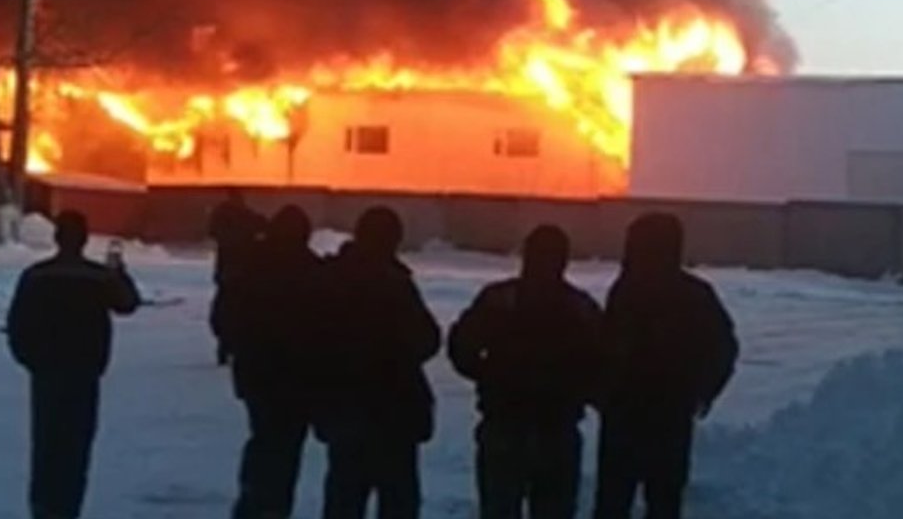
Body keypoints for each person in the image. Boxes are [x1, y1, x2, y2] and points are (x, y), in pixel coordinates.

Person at [448, 225, 602, 519]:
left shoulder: (499, 299)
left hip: (508, 427)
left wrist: (487, 376)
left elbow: (461, 346)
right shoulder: (579, 307)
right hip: (552, 430)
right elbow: (603, 361)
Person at [592, 213, 738, 519]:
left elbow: (604, 346)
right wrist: (703, 392)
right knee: (659, 501)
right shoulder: (687, 293)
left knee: (623, 501)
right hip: (657, 415)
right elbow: (723, 348)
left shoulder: (629, 290)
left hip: (639, 415)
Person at [7, 210, 141, 519]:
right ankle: (68, 507)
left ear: (57, 237)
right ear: (83, 238)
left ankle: (43, 507)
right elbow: (127, 304)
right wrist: (119, 273)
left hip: (46, 373)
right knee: (76, 446)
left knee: (45, 444)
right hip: (84, 372)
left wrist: (30, 359)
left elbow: (18, 323)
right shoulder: (98, 277)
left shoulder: (36, 276)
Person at [313, 207, 440, 519]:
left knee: (344, 499)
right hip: (392, 413)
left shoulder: (330, 280)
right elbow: (427, 339)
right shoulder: (394, 283)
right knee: (397, 500)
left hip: (344, 408)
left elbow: (309, 337)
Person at [214, 204, 322, 519]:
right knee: (286, 446)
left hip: (256, 373)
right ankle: (274, 506)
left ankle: (255, 501)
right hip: (297, 377)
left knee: (264, 437)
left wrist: (237, 346)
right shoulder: (313, 271)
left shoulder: (249, 267)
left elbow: (223, 316)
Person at [209, 188, 264, 365]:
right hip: (242, 271)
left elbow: (212, 231)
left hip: (227, 271)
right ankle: (233, 345)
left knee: (226, 310)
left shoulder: (221, 216)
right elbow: (263, 226)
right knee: (238, 310)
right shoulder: (245, 215)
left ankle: (225, 345)